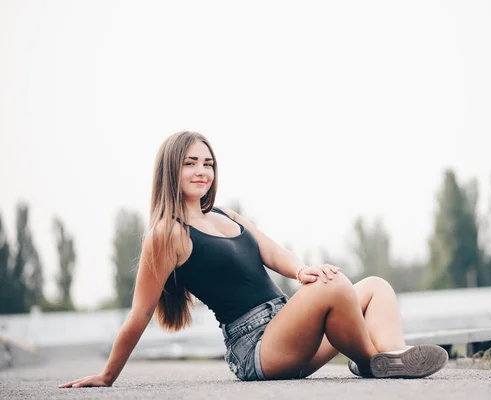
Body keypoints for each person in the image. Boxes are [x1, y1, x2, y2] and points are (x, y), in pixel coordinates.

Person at [59, 131, 448, 388]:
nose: (201, 171)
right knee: (336, 286)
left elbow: (272, 251)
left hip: (289, 330)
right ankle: (373, 362)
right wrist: (107, 376)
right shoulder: (168, 233)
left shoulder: (225, 214)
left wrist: (301, 270)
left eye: (207, 163)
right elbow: (139, 314)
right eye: (190, 163)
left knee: (376, 287)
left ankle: (390, 358)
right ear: (170, 170)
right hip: (258, 348)